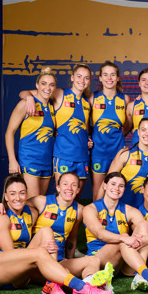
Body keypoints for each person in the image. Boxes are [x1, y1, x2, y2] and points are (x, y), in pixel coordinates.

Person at [0, 173, 112, 294]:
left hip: (19, 278)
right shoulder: (0, 217)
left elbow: (67, 238)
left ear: (27, 194)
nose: (18, 198)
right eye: (12, 194)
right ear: (6, 197)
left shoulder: (31, 213)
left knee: (46, 231)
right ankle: (82, 287)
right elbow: (10, 255)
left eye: (22, 193)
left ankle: (54, 283)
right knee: (41, 253)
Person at [84, 172, 148, 294]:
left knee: (144, 225)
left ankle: (138, 276)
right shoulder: (90, 209)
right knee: (123, 238)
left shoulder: (128, 210)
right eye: (113, 184)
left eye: (121, 186)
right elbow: (100, 233)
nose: (116, 188)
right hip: (98, 261)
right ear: (104, 185)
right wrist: (124, 238)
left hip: (123, 263)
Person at [20, 63, 94, 195]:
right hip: (63, 155)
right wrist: (30, 98)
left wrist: (89, 140)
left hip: (82, 156)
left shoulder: (87, 102)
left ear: (89, 81)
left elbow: (85, 129)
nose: (82, 81)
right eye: (79, 76)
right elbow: (25, 92)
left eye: (86, 78)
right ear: (72, 77)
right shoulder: (60, 93)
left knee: (75, 198)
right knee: (63, 196)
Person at [5, 68, 57, 197]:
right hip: (29, 160)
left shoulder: (52, 106)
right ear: (37, 85)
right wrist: (12, 160)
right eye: (44, 83)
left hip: (46, 161)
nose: (47, 88)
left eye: (51, 85)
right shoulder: (25, 104)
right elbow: (9, 132)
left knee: (39, 204)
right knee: (31, 203)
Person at [90, 61, 130, 199]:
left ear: (118, 78)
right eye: (105, 75)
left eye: (113, 75)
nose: (109, 78)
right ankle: (95, 221)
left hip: (117, 152)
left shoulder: (124, 99)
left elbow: (128, 125)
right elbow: (83, 123)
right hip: (98, 151)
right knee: (98, 192)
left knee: (117, 191)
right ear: (100, 78)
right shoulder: (92, 97)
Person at [102, 117, 148, 209]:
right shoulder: (125, 154)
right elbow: (105, 183)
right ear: (138, 132)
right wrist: (97, 207)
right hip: (122, 209)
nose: (147, 134)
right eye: (143, 130)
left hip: (146, 211)